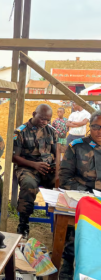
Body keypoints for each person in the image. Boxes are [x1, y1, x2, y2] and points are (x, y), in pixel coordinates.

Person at [58, 110, 101, 280]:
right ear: (90, 127)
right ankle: (68, 263)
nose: (100, 131)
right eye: (96, 127)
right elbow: (64, 179)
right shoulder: (76, 146)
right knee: (79, 225)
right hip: (83, 197)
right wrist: (88, 194)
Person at [13, 104, 57, 238]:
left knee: (64, 183)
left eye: (48, 120)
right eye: (42, 119)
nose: (45, 122)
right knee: (28, 185)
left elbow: (56, 152)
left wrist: (55, 166)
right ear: (33, 114)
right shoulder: (20, 132)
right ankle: (23, 224)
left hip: (47, 168)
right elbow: (14, 157)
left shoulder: (51, 131)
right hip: (27, 168)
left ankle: (62, 224)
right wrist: (35, 165)